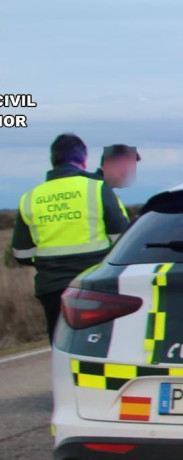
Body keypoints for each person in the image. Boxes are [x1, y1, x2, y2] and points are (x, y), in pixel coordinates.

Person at [11, 133, 130, 342]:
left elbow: (21, 253)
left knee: (61, 347)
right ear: (83, 161)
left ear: (52, 161)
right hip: (95, 283)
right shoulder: (97, 188)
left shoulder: (30, 197)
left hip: (52, 287)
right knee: (100, 346)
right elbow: (123, 240)